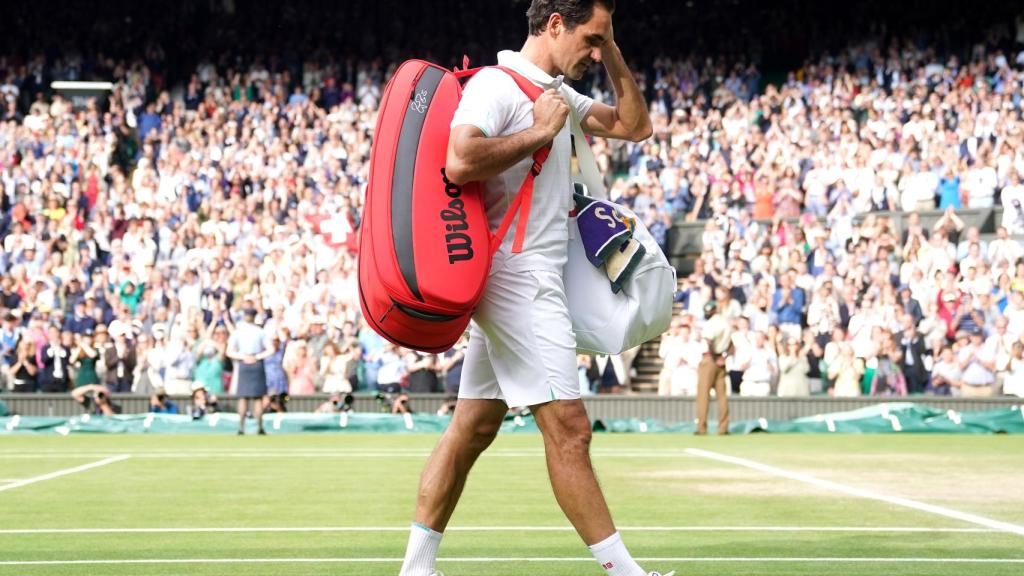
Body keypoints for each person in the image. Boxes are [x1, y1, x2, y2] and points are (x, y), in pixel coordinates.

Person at [397, 2, 671, 576]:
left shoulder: (557, 92)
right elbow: (460, 158)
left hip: (525, 275)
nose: (594, 54)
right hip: (518, 276)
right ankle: (626, 574)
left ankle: (416, 569)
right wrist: (542, 130)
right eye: (590, 39)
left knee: (472, 427)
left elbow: (634, 126)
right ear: (554, 26)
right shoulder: (498, 87)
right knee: (569, 428)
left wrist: (613, 48)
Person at [227, 309, 274, 435]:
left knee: (244, 397)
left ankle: (241, 428)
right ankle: (259, 427)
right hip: (255, 363)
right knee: (256, 398)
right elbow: (270, 349)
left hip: (245, 363)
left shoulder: (239, 332)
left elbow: (229, 351)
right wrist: (257, 357)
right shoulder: (260, 331)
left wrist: (243, 357)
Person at [696, 300, 731, 433]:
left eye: (708, 311)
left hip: (710, 359)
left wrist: (715, 358)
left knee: (703, 395)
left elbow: (709, 341)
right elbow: (731, 344)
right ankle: (723, 428)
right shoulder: (726, 323)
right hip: (721, 361)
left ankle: (701, 427)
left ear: (714, 310)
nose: (707, 313)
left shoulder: (711, 324)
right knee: (722, 396)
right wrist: (724, 357)